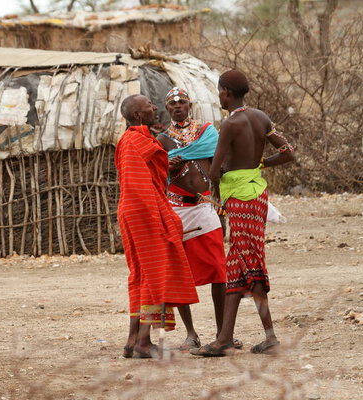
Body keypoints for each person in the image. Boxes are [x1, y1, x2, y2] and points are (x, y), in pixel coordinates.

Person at [191, 70, 295, 357]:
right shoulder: (261, 118)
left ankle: (248, 337)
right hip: (258, 195)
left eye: (220, 91)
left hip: (238, 198)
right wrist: (261, 164)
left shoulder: (231, 124)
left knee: (248, 263)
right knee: (239, 264)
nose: (219, 95)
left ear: (226, 92)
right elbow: (288, 152)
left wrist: (218, 180)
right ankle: (228, 337)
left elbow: (214, 171)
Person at [116, 94, 199, 358]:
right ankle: (143, 342)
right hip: (144, 212)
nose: (154, 107)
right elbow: (139, 185)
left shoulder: (136, 139)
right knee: (153, 275)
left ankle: (132, 341)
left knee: (140, 275)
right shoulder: (134, 140)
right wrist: (162, 218)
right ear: (138, 116)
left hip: (135, 211)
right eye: (148, 105)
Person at [155, 87, 230, 351]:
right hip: (176, 211)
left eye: (182, 102)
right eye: (172, 103)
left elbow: (218, 166)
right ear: (167, 108)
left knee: (219, 271)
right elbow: (154, 170)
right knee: (179, 273)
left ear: (189, 105)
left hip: (205, 207)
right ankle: (191, 334)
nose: (177, 106)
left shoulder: (207, 132)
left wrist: (223, 208)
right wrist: (167, 165)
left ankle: (223, 333)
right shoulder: (162, 140)